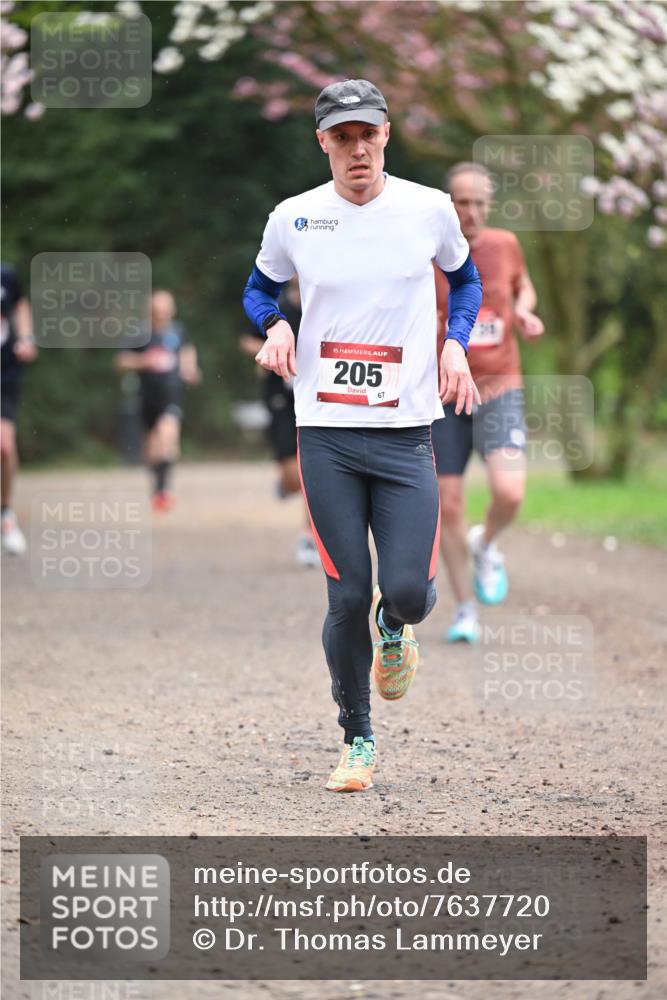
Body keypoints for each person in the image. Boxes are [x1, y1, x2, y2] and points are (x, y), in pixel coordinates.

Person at [243, 80, 482, 792]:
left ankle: (394, 627)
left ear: (385, 136)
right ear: (322, 141)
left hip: (406, 431)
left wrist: (455, 344)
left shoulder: (428, 210)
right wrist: (275, 324)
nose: (356, 149)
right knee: (345, 594)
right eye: (340, 137)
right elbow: (258, 289)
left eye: (366, 135)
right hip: (325, 434)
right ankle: (356, 739)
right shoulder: (294, 219)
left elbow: (465, 283)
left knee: (406, 592)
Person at [431, 163, 545, 643]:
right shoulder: (427, 251)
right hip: (444, 391)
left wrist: (522, 309)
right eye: (462, 202)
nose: (471, 211)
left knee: (510, 492)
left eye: (479, 203)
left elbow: (522, 285)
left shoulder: (505, 246)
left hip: (499, 386)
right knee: (449, 503)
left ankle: (487, 543)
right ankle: (464, 610)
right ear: (448, 203)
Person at [239, 277, 319, 568]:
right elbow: (247, 340)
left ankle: (309, 534)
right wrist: (273, 347)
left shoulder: (323, 302)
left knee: (312, 468)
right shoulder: (275, 306)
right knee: (293, 474)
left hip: (315, 396)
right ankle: (286, 485)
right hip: (281, 397)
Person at [115, 290, 201, 511]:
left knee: (168, 436)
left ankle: (164, 492)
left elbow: (187, 351)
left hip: (171, 395)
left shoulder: (178, 331)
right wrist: (145, 361)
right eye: (157, 310)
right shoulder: (140, 333)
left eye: (166, 309)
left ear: (171, 310)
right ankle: (158, 488)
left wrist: (190, 369)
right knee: (153, 450)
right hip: (146, 397)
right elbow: (121, 361)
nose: (162, 314)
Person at [1, 263, 37, 555]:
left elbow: (21, 305)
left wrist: (26, 337)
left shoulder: (7, 275)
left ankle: (5, 514)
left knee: (4, 447)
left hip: (5, 373)